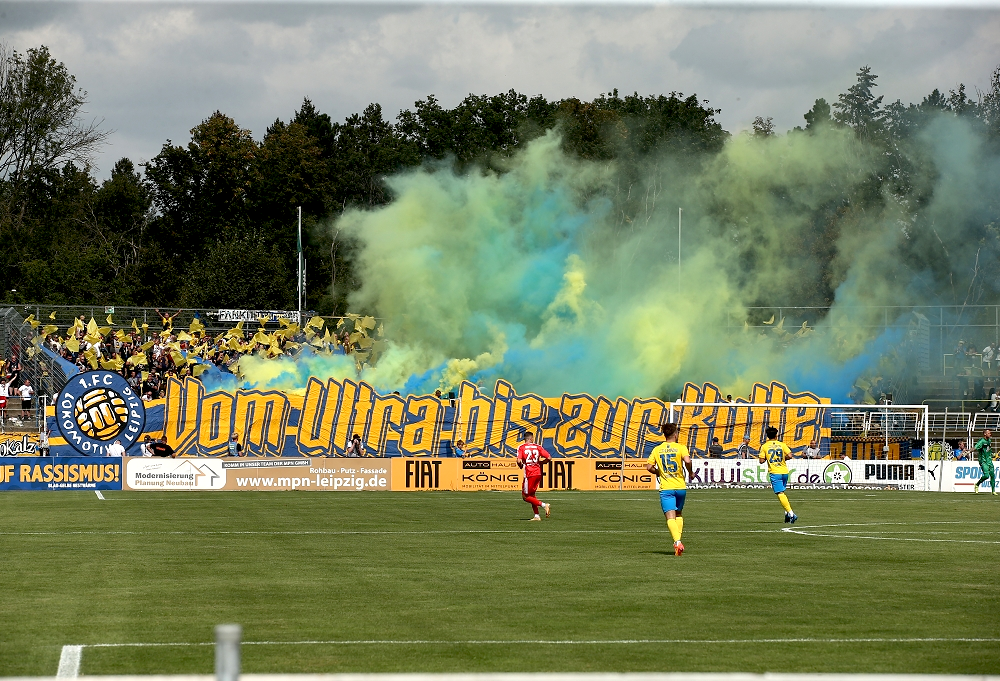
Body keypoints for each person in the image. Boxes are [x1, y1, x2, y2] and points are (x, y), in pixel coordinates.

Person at [646, 422, 694, 556]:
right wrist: (690, 473)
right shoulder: (681, 447)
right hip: (680, 487)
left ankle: (677, 542)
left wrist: (658, 472)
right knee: (678, 514)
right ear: (675, 434)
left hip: (666, 488)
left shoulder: (657, 449)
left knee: (670, 517)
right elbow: (688, 461)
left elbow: (649, 467)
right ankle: (677, 544)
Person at [759, 426, 797, 523]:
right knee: (783, 492)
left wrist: (769, 458)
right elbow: (790, 455)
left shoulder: (764, 446)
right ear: (776, 435)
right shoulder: (782, 444)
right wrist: (783, 458)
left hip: (775, 472)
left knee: (779, 493)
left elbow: (761, 461)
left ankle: (791, 514)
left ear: (767, 436)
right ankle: (786, 514)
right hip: (784, 472)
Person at [516, 431, 551, 521]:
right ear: (531, 438)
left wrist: (520, 466)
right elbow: (549, 458)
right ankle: (537, 516)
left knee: (526, 497)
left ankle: (544, 505)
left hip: (529, 474)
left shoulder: (521, 447)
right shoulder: (538, 447)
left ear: (525, 439)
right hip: (538, 473)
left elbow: (519, 460)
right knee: (532, 495)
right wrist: (541, 463)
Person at [973, 428, 997, 495]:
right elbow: (975, 447)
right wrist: (969, 451)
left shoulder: (989, 440)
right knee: (986, 476)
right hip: (983, 460)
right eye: (989, 433)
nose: (990, 434)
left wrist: (992, 454)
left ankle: (993, 491)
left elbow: (988, 450)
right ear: (985, 434)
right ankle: (977, 484)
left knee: (992, 475)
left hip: (989, 460)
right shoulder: (981, 441)